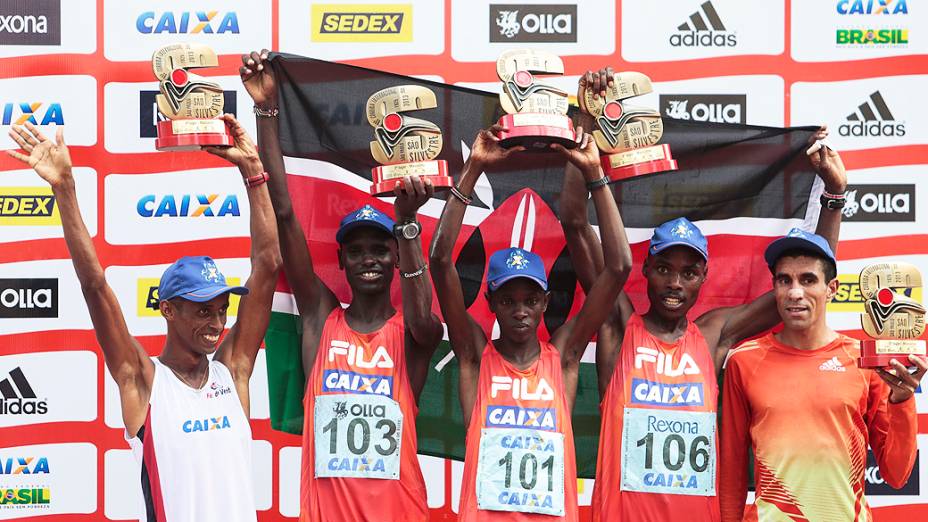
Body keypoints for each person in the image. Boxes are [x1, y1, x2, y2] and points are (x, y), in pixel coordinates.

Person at [559, 69, 849, 521]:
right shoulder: (618, 325)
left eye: (689, 272)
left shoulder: (712, 336)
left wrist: (834, 195)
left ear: (703, 278)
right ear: (647, 273)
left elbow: (801, 285)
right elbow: (575, 223)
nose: (675, 282)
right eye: (665, 270)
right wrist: (588, 123)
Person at [6, 116, 281, 522]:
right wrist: (64, 190)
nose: (217, 321)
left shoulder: (233, 372)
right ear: (167, 308)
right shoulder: (143, 380)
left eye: (222, 309)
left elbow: (268, 264)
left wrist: (254, 173)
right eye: (203, 309)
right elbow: (95, 286)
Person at [239, 50, 443, 522]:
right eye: (356, 251)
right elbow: (284, 210)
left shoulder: (414, 334)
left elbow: (424, 318)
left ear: (394, 257)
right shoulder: (320, 316)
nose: (368, 259)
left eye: (379, 248)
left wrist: (407, 224)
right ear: (342, 261)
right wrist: (267, 110)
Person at [429, 124, 633, 521]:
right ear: (490, 303)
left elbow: (620, 266)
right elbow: (439, 261)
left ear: (545, 303)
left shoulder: (564, 357)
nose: (519, 310)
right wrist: (472, 169)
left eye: (529, 300)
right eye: (508, 300)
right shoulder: (474, 357)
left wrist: (595, 175)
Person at [719, 229, 927, 520]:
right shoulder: (744, 360)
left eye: (808, 280)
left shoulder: (864, 360)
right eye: (784, 280)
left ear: (833, 288)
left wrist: (903, 400)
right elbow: (732, 468)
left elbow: (897, 475)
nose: (795, 293)